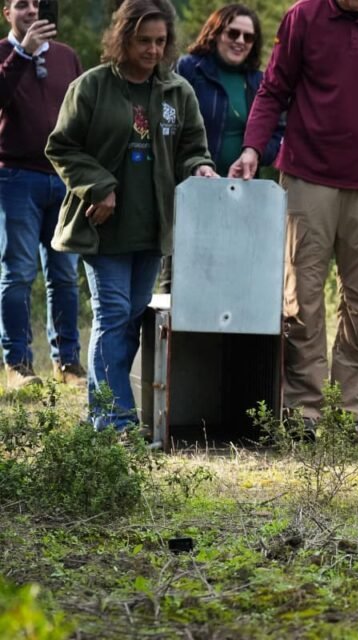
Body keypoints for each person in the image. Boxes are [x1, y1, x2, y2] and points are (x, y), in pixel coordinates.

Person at [232, 0, 358, 433]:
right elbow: (273, 88)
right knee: (300, 297)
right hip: (307, 175)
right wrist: (252, 148)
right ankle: (303, 407)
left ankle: (356, 410)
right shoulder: (303, 16)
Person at [45, 0, 216, 430]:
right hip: (103, 229)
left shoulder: (178, 91)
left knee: (130, 319)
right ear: (123, 38)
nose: (153, 50)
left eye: (160, 41)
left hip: (154, 229)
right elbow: (61, 147)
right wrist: (99, 186)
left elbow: (193, 145)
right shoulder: (91, 87)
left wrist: (201, 166)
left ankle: (102, 412)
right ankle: (114, 422)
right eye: (144, 40)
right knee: (112, 315)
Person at [161, 3, 282, 293]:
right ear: (216, 33)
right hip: (191, 192)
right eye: (233, 33)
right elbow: (166, 124)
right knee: (180, 283)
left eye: (248, 37)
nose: (240, 41)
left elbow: (278, 134)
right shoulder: (189, 69)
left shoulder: (258, 82)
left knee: (231, 283)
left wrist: (253, 154)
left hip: (242, 198)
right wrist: (192, 165)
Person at [0, 0, 84, 388]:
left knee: (65, 275)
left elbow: (84, 114)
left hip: (64, 180)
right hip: (15, 178)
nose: (32, 11)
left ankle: (67, 363)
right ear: (7, 13)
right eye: (22, 5)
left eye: (37, 3)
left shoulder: (68, 57)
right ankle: (17, 364)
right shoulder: (4, 54)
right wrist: (21, 54)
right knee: (17, 273)